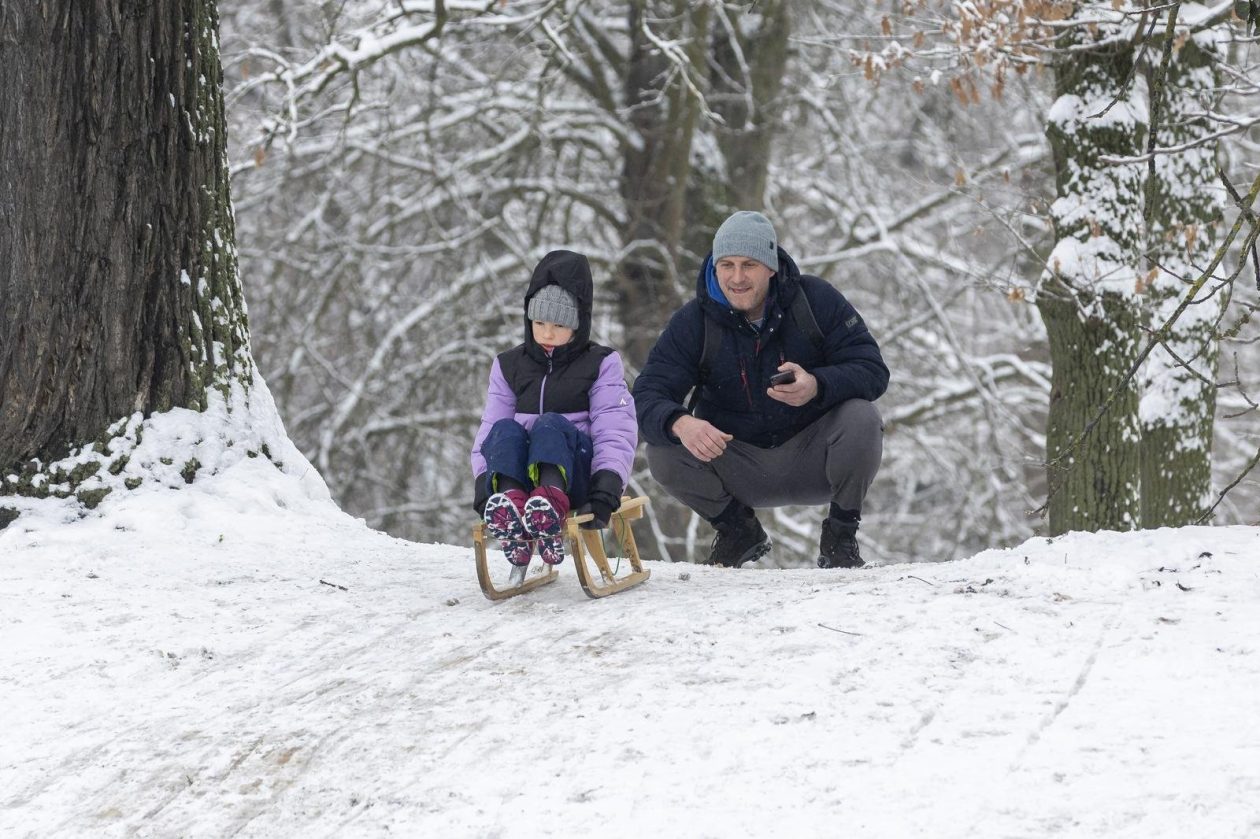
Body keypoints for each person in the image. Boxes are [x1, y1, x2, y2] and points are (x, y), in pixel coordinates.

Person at [633, 211, 888, 569]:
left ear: (770, 266)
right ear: (715, 267)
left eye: (749, 265)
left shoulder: (815, 300)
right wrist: (680, 423)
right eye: (727, 265)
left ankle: (841, 537)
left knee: (862, 416)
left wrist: (817, 385)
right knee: (662, 448)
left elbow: (873, 371)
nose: (737, 277)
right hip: (739, 465)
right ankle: (738, 531)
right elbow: (646, 395)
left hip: (815, 459)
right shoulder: (693, 323)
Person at [471, 250, 637, 581]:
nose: (547, 333)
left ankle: (548, 505)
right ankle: (511, 508)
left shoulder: (600, 363)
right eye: (539, 323)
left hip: (576, 478)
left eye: (559, 325)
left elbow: (614, 429)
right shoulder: (509, 366)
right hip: (522, 481)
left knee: (550, 426)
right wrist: (481, 480)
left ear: (578, 323)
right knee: (505, 429)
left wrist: (607, 485)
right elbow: (489, 430)